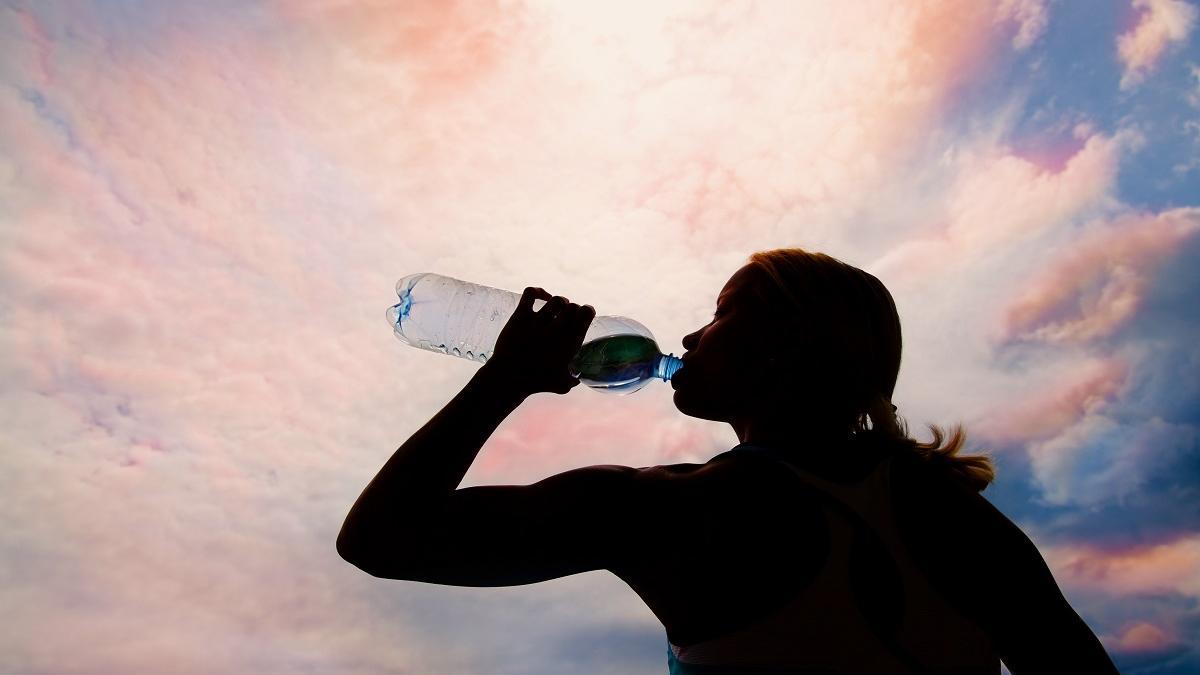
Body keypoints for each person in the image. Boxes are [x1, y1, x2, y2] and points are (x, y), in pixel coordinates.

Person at [337, 248, 1120, 674]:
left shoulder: (682, 512)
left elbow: (379, 539)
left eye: (722, 314)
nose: (690, 338)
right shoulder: (951, 511)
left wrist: (502, 379)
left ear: (786, 346)